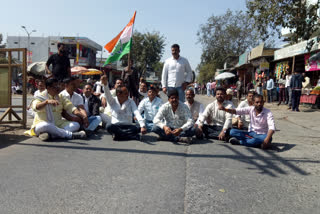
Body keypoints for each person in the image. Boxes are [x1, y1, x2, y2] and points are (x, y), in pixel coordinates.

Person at [100, 75, 147, 141]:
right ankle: (131, 136)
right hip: (116, 125)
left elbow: (137, 113)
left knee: (139, 127)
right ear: (119, 94)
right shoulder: (112, 101)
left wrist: (142, 126)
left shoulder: (130, 101)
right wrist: (105, 84)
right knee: (108, 126)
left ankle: (119, 136)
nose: (128, 95)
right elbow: (107, 93)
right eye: (125, 93)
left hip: (128, 125)